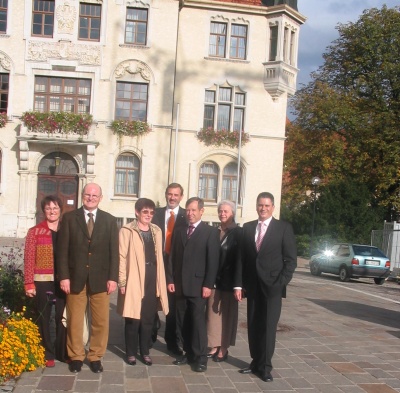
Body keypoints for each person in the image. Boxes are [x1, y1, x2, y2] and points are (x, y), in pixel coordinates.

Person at [56, 183, 119, 374]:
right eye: (87, 194)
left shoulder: (109, 220)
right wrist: (64, 276)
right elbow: (62, 251)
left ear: (100, 198)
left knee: (100, 321)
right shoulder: (69, 218)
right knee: (75, 319)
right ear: (82, 195)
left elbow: (114, 253)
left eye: (94, 195)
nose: (90, 198)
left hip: (101, 279)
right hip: (75, 278)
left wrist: (113, 278)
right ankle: (76, 356)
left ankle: (95, 356)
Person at [237, 192, 297, 382]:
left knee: (268, 328)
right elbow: (242, 259)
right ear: (256, 206)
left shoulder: (283, 228)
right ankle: (255, 362)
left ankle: (265, 367)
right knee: (254, 326)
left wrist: (280, 284)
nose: (263, 208)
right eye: (260, 205)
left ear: (273, 207)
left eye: (266, 205)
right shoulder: (247, 228)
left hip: (272, 288)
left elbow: (291, 261)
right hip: (252, 287)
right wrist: (239, 284)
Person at [167, 197, 220, 372]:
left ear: (201, 211)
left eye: (193, 210)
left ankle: (200, 357)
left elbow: (213, 261)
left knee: (197, 323)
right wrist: (171, 280)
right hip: (180, 285)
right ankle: (188, 353)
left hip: (198, 287)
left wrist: (208, 284)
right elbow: (173, 257)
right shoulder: (180, 230)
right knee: (182, 322)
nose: (189, 213)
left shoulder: (210, 232)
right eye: (188, 210)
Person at [117, 198, 169, 366]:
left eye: (151, 212)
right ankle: (131, 353)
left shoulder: (157, 230)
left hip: (152, 275)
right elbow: (121, 256)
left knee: (148, 317)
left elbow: (159, 256)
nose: (148, 215)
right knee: (133, 317)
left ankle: (145, 351)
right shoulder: (127, 230)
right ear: (137, 212)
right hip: (134, 276)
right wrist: (122, 281)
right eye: (145, 212)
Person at [24, 195, 67, 367]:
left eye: (55, 208)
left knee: (62, 317)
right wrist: (28, 283)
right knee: (44, 317)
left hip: (63, 280)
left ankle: (62, 352)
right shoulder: (35, 231)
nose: (52, 211)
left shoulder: (66, 229)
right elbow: (28, 259)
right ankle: (47, 352)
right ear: (44, 211)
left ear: (60, 210)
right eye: (48, 208)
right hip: (42, 281)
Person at [152, 183, 187, 355]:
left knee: (173, 305)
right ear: (165, 194)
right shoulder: (155, 213)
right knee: (151, 299)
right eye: (170, 194)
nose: (172, 197)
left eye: (176, 195)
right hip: (156, 263)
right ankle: (150, 332)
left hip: (176, 266)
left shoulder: (186, 216)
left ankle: (172, 341)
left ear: (181, 197)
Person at [206, 200, 241, 362]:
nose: (222, 213)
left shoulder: (238, 233)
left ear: (232, 213)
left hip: (229, 281)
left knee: (227, 314)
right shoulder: (214, 231)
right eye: (220, 211)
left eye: (226, 211)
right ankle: (214, 344)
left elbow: (241, 260)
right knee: (213, 314)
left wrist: (238, 284)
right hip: (214, 279)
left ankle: (224, 347)